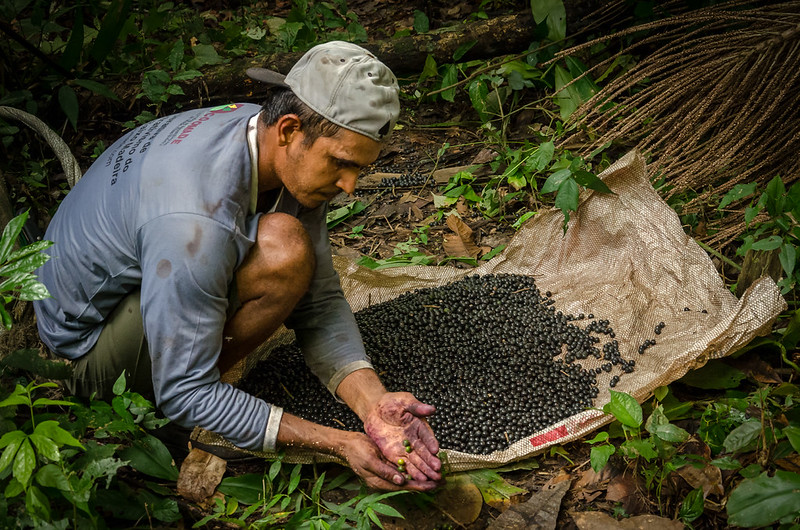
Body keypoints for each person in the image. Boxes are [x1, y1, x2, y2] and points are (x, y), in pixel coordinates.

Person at [33, 41, 443, 491]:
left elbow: (319, 300)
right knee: (282, 250)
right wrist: (339, 443)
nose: (350, 186)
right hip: (86, 352)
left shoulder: (275, 141)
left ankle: (207, 379)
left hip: (162, 269)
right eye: (341, 164)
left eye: (360, 168)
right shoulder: (193, 218)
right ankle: (158, 416)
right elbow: (183, 389)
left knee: (289, 243)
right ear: (289, 130)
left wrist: (374, 406)